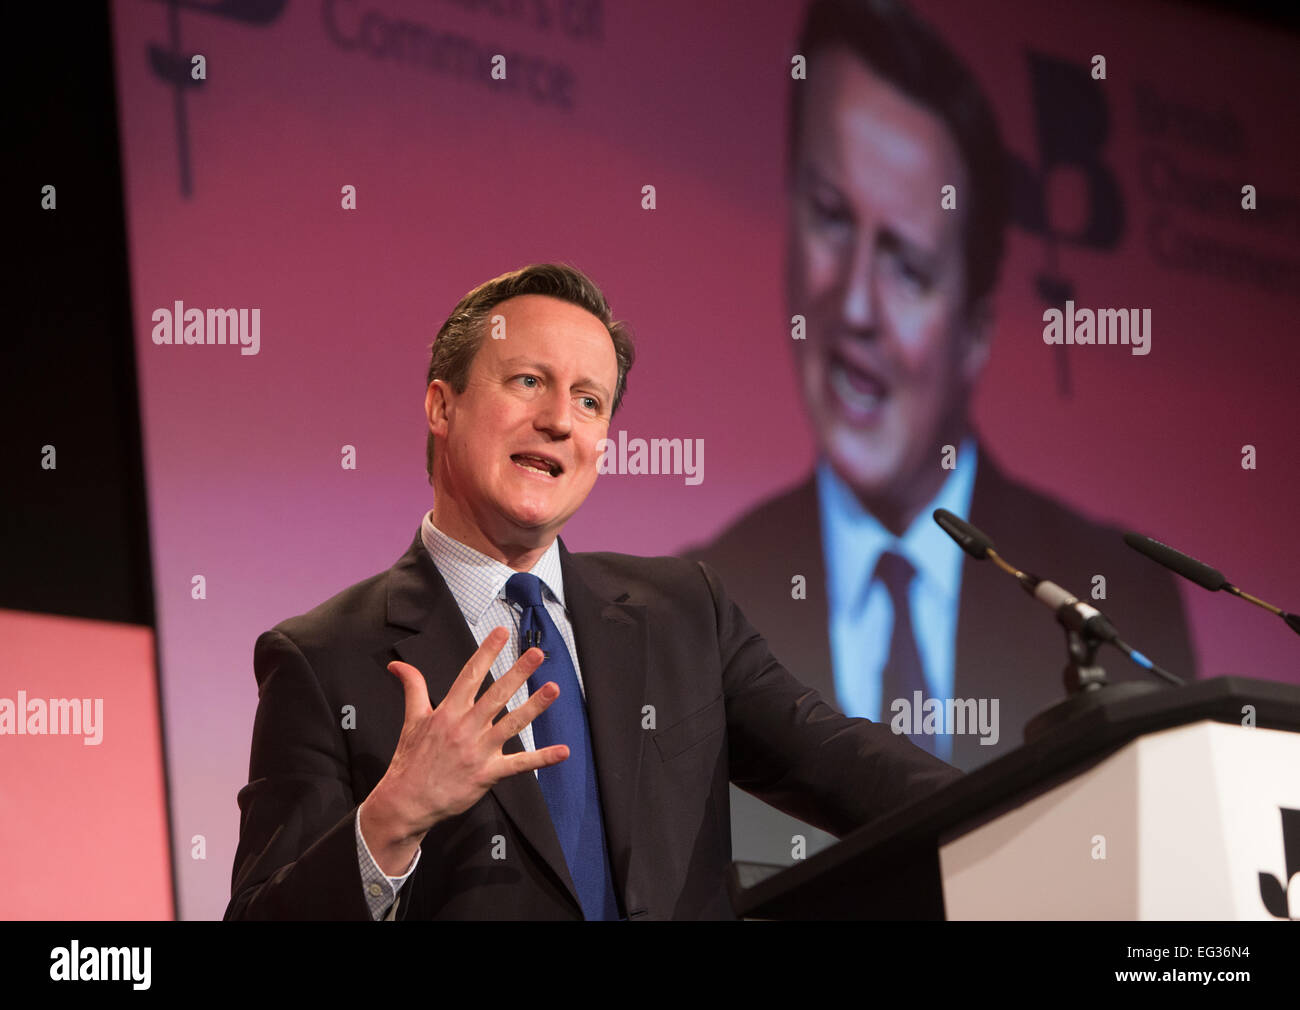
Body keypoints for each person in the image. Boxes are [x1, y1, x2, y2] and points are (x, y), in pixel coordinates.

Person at [225, 263, 962, 921]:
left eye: (589, 402)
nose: (557, 421)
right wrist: (389, 823)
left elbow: (835, 760)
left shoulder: (682, 611)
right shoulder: (325, 661)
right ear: (441, 407)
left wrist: (1032, 803)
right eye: (528, 382)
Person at [685, 0, 1194, 862]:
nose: (853, 305)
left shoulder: (1115, 600)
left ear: (977, 329)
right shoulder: (705, 597)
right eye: (831, 218)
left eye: (909, 266)